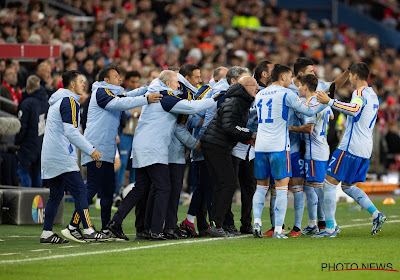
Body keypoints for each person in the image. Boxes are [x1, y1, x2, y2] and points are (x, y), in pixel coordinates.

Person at [107, 70, 222, 241]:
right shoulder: (166, 97)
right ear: (168, 83)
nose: (178, 86)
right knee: (164, 188)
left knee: (141, 187)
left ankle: (116, 222)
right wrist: (212, 99)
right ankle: (155, 230)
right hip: (153, 148)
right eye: (176, 83)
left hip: (140, 146)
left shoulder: (155, 92)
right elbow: (191, 107)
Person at [67, 65, 162, 237]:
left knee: (107, 191)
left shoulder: (110, 92)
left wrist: (148, 88)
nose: (119, 78)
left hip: (107, 150)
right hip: (96, 149)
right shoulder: (100, 91)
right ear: (106, 80)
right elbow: (121, 102)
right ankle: (73, 226)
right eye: (116, 76)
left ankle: (105, 228)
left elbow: (126, 95)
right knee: (91, 189)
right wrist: (146, 98)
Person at [252, 64, 327, 239]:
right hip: (279, 146)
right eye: (290, 76)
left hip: (261, 146)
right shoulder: (287, 94)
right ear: (283, 77)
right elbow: (308, 110)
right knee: (281, 187)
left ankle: (256, 222)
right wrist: (325, 104)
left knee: (261, 187)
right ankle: (278, 229)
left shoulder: (260, 94)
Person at [313, 62, 386, 237]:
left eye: (350, 76)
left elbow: (354, 109)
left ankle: (330, 228)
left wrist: (329, 101)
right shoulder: (373, 94)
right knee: (347, 185)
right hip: (364, 148)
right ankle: (376, 214)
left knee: (329, 183)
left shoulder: (359, 92)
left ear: (354, 75)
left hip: (351, 146)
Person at [40, 70, 105, 244]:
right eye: (81, 81)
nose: (84, 84)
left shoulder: (57, 100)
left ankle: (46, 233)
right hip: (62, 155)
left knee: (55, 195)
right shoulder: (69, 101)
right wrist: (91, 150)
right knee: (81, 191)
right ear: (72, 84)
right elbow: (71, 132)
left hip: (50, 154)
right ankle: (89, 230)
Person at [201, 76, 258, 237]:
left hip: (217, 145)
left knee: (223, 184)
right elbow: (229, 126)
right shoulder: (235, 102)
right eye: (254, 86)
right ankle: (217, 224)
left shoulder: (239, 100)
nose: (257, 89)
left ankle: (217, 224)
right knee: (227, 183)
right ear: (245, 86)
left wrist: (248, 138)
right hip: (215, 146)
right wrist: (250, 134)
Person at [180, 66, 228, 237]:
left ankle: (199, 223)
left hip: (208, 144)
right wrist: (203, 124)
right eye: (224, 79)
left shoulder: (218, 92)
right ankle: (200, 222)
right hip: (202, 145)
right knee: (205, 185)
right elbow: (191, 117)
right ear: (216, 79)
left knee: (205, 186)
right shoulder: (205, 91)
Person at [288, 74, 334, 236]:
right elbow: (332, 115)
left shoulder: (310, 104)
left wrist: (290, 128)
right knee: (312, 187)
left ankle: (331, 224)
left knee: (319, 189)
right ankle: (315, 224)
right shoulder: (322, 102)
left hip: (314, 150)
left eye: (299, 86)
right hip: (321, 147)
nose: (298, 88)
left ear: (305, 87)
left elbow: (309, 128)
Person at [15, 75, 48, 188]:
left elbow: (22, 125)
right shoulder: (45, 102)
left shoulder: (27, 103)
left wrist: (17, 141)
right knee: (37, 173)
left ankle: (26, 202)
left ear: (27, 86)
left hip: (28, 143)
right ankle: (37, 202)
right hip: (41, 142)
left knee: (24, 171)